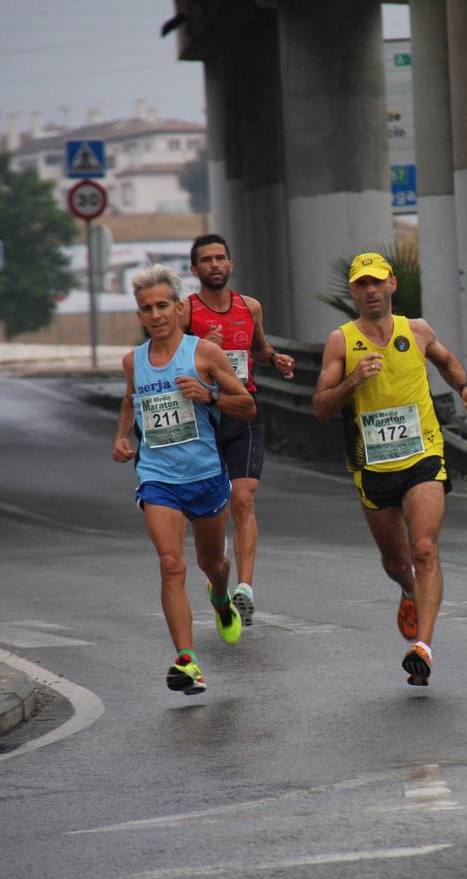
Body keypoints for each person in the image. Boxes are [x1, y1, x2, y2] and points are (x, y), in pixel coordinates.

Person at [312, 252, 467, 687]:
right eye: (361, 284)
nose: (370, 291)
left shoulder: (418, 330)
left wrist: (465, 388)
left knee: (424, 548)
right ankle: (407, 589)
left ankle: (422, 648)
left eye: (376, 282)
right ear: (354, 292)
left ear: (391, 285)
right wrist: (353, 381)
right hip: (372, 464)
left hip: (423, 454)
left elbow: (444, 360)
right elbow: (320, 407)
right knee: (396, 560)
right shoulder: (342, 341)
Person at [113, 264, 257, 695]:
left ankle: (219, 597)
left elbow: (246, 405)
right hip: (158, 478)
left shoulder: (202, 355)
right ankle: (187, 661)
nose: (155, 315)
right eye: (145, 309)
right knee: (171, 564)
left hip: (206, 476)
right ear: (138, 315)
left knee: (212, 564)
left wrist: (208, 394)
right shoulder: (132, 362)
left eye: (162, 306)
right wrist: (122, 436)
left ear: (179, 308)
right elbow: (128, 401)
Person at [181, 234, 296, 627]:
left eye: (220, 258)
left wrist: (276, 358)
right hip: (201, 418)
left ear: (231, 265)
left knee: (244, 499)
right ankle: (218, 579)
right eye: (206, 260)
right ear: (194, 270)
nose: (215, 265)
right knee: (212, 512)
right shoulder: (185, 312)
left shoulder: (250, 307)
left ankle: (244, 588)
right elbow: (164, 362)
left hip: (242, 411)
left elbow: (258, 349)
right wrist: (199, 348)